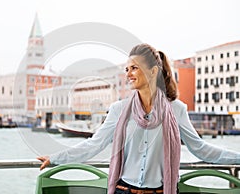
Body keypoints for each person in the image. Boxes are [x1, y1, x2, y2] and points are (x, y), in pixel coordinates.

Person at [37, 43, 240, 194]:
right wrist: (55, 158)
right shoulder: (119, 110)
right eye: (127, 69)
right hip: (123, 191)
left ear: (152, 71)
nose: (129, 74)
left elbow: (200, 148)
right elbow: (94, 145)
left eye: (134, 68)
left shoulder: (176, 109)